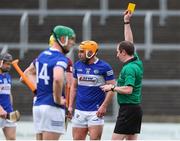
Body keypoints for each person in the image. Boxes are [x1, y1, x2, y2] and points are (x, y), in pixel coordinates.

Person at [23, 25, 76, 140]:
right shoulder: (62, 59)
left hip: (38, 106)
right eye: (71, 39)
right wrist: (57, 99)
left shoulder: (42, 55)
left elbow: (27, 74)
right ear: (63, 39)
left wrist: (39, 89)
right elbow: (57, 78)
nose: (73, 43)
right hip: (52, 107)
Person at [100, 10, 144, 140]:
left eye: (118, 52)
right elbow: (129, 41)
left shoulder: (129, 69)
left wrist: (112, 88)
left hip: (128, 110)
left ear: (124, 52)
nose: (117, 54)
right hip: (134, 109)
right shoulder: (136, 60)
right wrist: (126, 21)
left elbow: (129, 89)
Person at [68, 40, 116, 140]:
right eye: (79, 51)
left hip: (96, 112)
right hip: (79, 111)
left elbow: (112, 89)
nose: (79, 54)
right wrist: (70, 106)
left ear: (90, 52)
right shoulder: (77, 65)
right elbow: (74, 87)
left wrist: (104, 106)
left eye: (82, 51)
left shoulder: (105, 67)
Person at [0, 53, 17, 140]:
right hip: (1, 112)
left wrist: (11, 110)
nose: (9, 66)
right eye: (7, 64)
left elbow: (8, 94)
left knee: (11, 138)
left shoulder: (8, 76)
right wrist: (1, 109)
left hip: (7, 113)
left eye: (10, 64)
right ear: (1, 62)